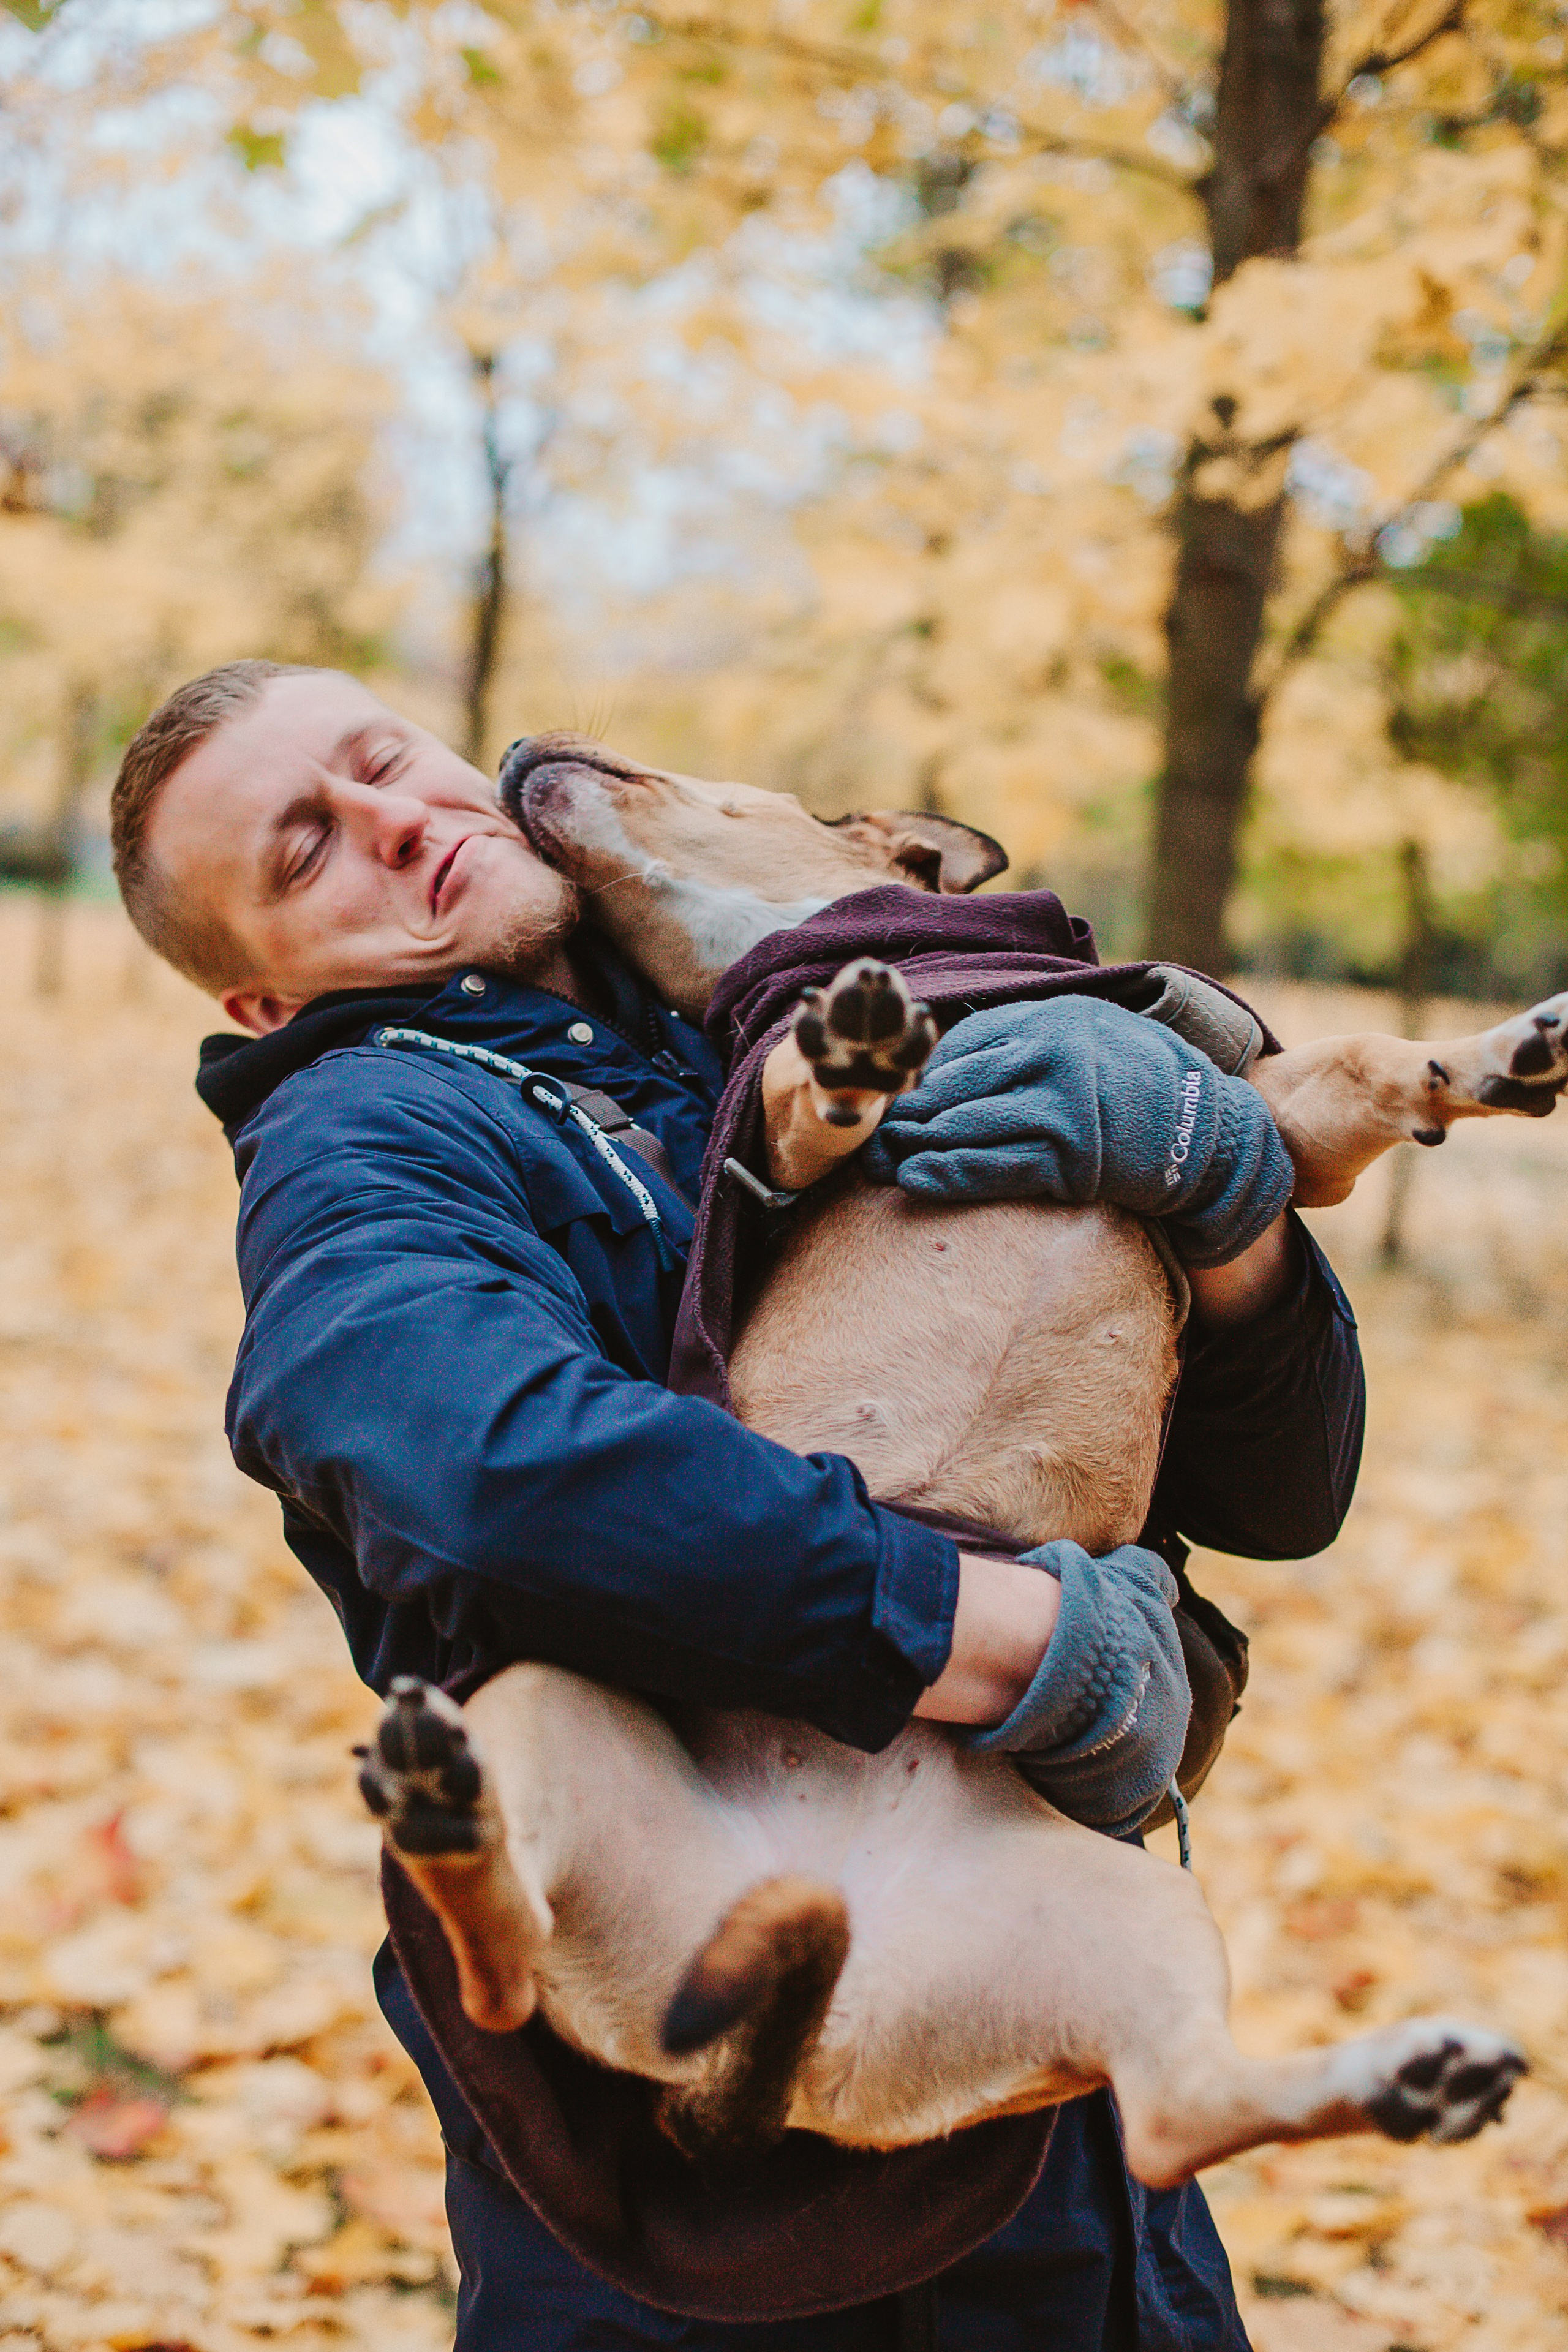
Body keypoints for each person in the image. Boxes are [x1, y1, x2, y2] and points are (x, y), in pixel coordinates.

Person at [110, 658, 1365, 2352]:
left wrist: (1227, 1218)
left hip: (1038, 2047)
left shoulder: (764, 999)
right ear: (262, 1001)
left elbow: (1290, 1492)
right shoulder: (364, 1138)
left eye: (386, 760)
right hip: (699, 2147)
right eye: (306, 850)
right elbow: (487, 1475)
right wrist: (1002, 1638)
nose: (401, 825)